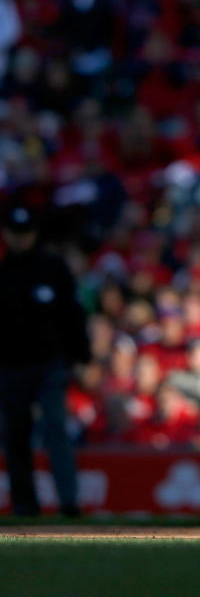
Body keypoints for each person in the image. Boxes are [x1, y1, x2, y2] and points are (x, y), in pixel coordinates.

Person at [0, 207, 90, 516]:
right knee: (15, 434)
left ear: (34, 234)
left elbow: (73, 315)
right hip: (11, 367)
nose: (21, 239)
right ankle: (25, 505)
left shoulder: (52, 268)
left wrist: (81, 355)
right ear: (7, 234)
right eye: (15, 232)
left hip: (49, 365)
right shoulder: (3, 272)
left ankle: (69, 503)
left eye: (25, 233)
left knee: (55, 428)